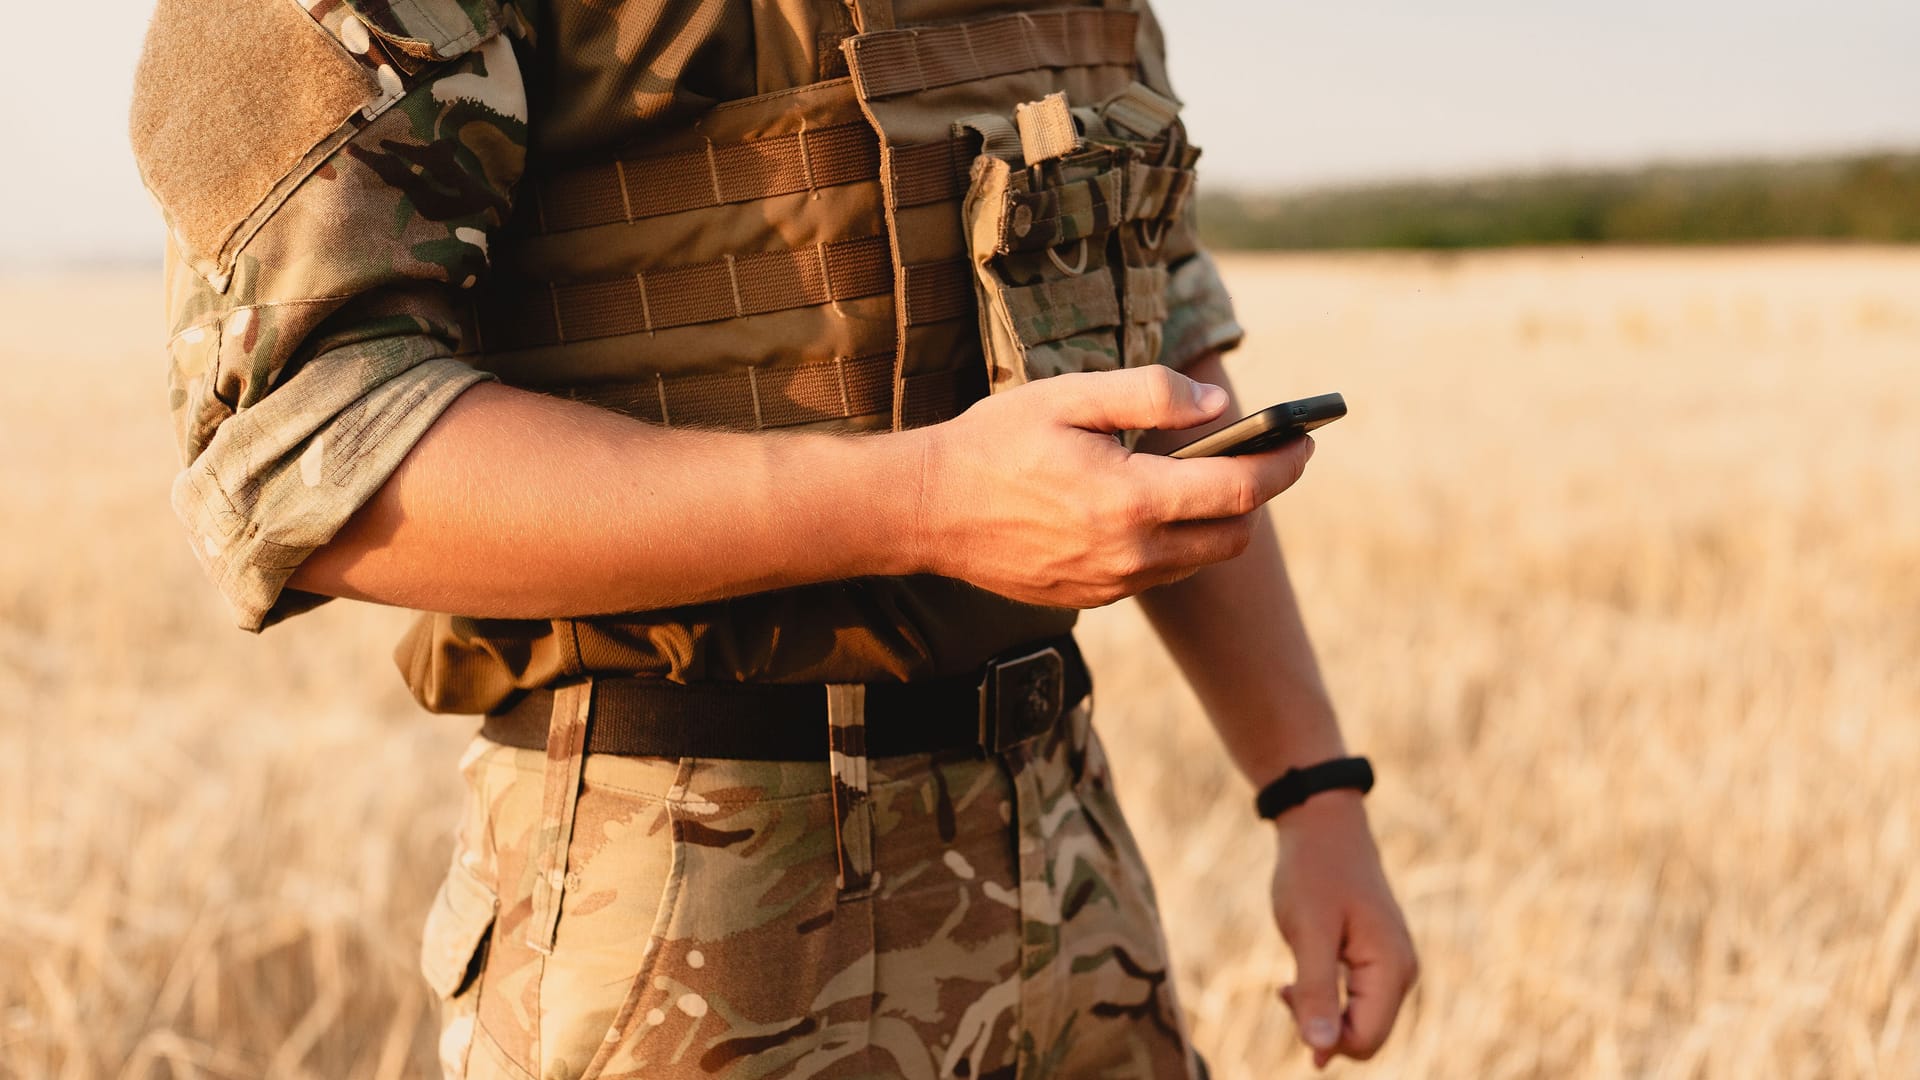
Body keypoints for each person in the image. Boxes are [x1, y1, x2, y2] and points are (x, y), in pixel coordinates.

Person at [130, 0, 1417, 1076]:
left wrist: (1311, 792)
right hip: (688, 906)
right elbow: (307, 451)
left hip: (1073, 873)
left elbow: (1150, 341)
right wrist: (921, 503)